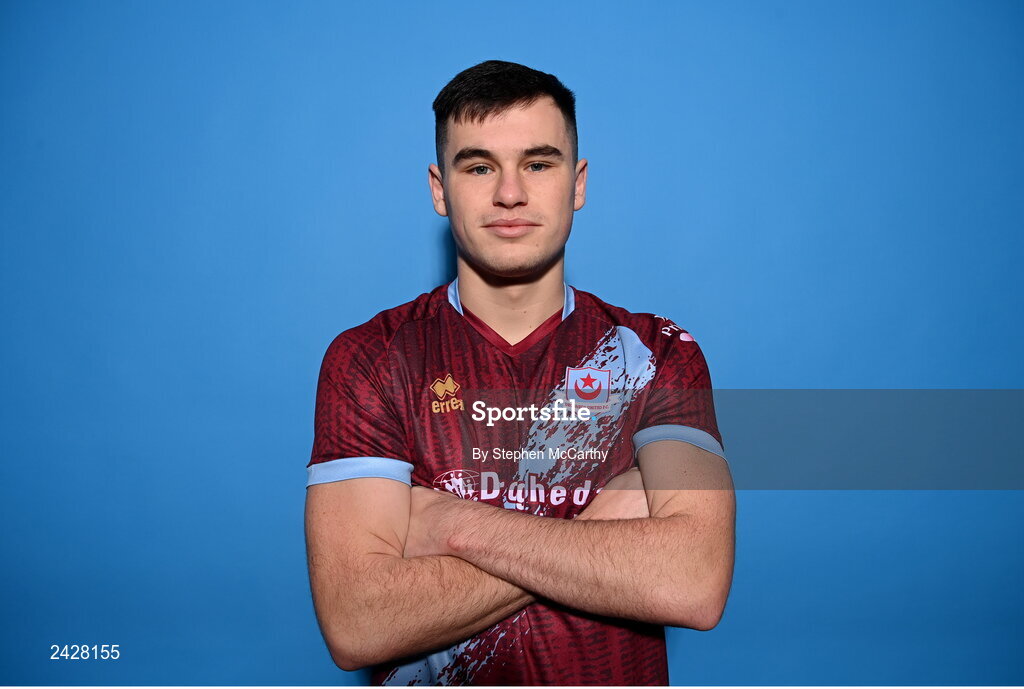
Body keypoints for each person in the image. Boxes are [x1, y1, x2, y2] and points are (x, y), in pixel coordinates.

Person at [305, 59, 735, 686]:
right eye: (479, 167)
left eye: (539, 163)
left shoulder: (656, 354)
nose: (510, 192)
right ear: (438, 188)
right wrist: (601, 537)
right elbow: (357, 622)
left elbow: (693, 580)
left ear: (578, 183)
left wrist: (451, 524)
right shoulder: (371, 359)